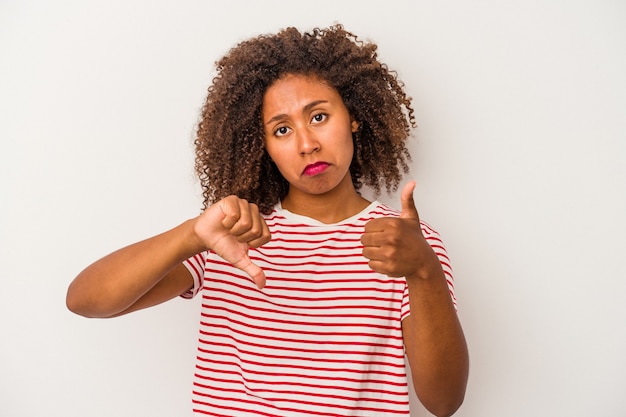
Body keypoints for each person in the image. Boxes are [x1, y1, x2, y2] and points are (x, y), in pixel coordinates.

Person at [66, 24, 469, 417]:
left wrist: (423, 271)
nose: (306, 144)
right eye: (281, 129)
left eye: (318, 117)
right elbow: (85, 300)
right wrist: (192, 235)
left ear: (354, 117)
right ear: (264, 148)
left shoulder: (405, 244)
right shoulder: (230, 236)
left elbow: (443, 402)